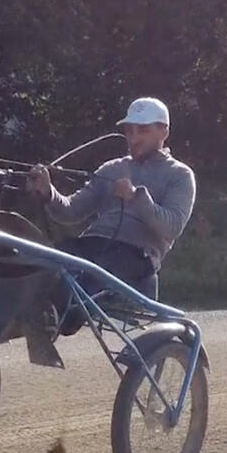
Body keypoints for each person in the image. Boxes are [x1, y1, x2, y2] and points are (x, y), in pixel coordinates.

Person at [24, 97, 196, 336]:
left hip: (137, 255)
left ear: (163, 131)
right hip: (93, 243)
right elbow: (71, 211)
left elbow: (172, 228)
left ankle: (61, 318)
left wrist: (137, 197)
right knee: (41, 259)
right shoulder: (111, 168)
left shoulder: (180, 175)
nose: (134, 138)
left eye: (143, 130)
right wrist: (48, 193)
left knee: (89, 273)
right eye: (129, 130)